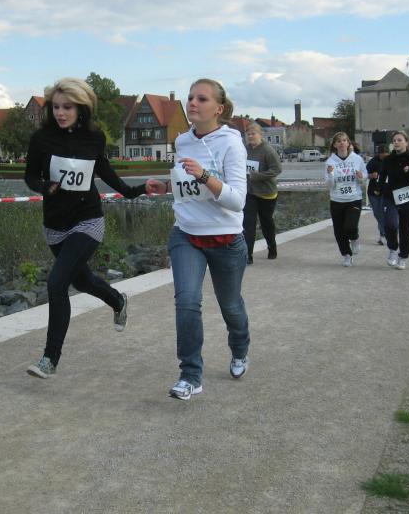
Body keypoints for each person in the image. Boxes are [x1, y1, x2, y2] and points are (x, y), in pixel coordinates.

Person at [23, 78, 155, 378]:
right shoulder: (41, 139)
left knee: (57, 283)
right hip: (55, 225)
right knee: (81, 281)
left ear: (81, 108)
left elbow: (106, 172)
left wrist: (137, 190)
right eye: (56, 107)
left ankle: (49, 359)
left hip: (88, 220)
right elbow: (30, 175)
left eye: (67, 107)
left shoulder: (94, 138)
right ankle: (117, 300)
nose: (60, 113)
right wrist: (44, 186)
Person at [147, 78, 250, 401]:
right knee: (187, 302)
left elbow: (237, 201)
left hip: (226, 238)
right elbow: (186, 187)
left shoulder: (232, 144)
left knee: (230, 306)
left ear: (218, 108)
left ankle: (240, 348)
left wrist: (205, 175)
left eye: (202, 99)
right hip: (187, 234)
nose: (193, 103)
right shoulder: (182, 141)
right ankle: (190, 375)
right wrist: (166, 186)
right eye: (191, 97)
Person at [374, 131, 409, 270]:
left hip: (407, 199)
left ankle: (403, 257)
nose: (396, 142)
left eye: (399, 140)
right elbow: (382, 176)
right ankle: (393, 249)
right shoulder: (388, 160)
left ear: (406, 142)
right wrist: (378, 189)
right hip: (390, 197)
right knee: (390, 225)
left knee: (405, 230)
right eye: (394, 140)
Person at [324, 132, 366, 267]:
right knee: (339, 231)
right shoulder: (330, 162)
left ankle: (354, 238)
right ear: (335, 145)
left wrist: (361, 177)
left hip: (354, 198)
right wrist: (330, 174)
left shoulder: (357, 159)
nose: (342, 143)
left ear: (348, 143)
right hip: (337, 200)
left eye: (344, 140)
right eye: (339, 141)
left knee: (350, 226)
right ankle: (347, 255)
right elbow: (329, 185)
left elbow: (364, 179)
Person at [242, 122, 282, 263]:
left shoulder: (267, 150)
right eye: (248, 134)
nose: (250, 137)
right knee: (248, 224)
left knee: (266, 223)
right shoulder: (245, 149)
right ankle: (248, 255)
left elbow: (277, 169)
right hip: (250, 192)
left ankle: (272, 247)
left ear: (260, 135)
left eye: (253, 134)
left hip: (266, 192)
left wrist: (258, 176)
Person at [366, 145, 388, 245]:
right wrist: (371, 175)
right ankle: (384, 234)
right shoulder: (373, 162)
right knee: (377, 213)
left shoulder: (391, 161)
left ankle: (384, 235)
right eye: (382, 153)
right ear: (379, 153)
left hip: (386, 191)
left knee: (384, 214)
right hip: (373, 192)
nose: (384, 155)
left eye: (386, 153)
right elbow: (364, 174)